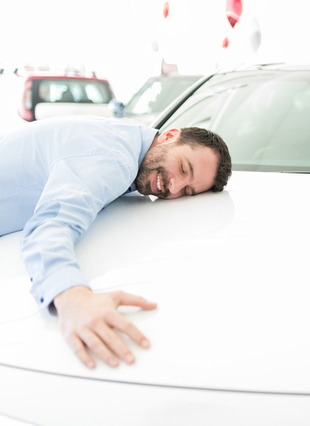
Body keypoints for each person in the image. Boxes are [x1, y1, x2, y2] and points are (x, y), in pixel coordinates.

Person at [0, 115, 232, 370]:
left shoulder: (124, 138)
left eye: (187, 191)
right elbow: (51, 224)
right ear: (170, 135)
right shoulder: (114, 159)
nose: (174, 186)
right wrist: (71, 296)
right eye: (184, 168)